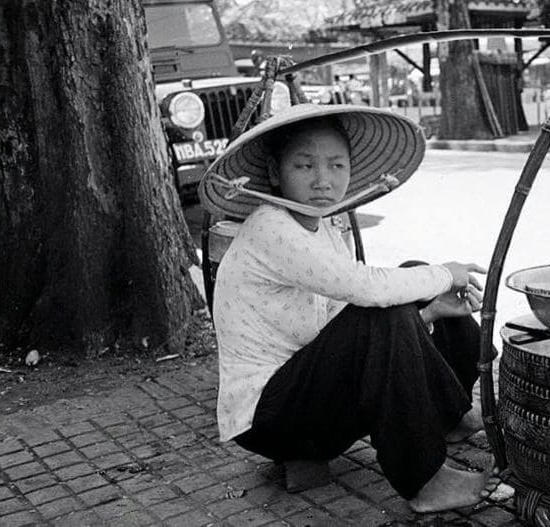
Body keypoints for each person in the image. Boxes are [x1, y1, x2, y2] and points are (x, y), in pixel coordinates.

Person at [198, 103, 499, 512]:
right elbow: (364, 293)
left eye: (337, 166)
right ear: (274, 172)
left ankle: (452, 418)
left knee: (412, 283)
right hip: (268, 418)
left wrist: (427, 312)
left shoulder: (322, 226)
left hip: (310, 392)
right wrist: (444, 274)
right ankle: (424, 481)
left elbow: (345, 320)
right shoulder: (270, 225)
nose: (323, 181)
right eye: (304, 167)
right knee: (399, 296)